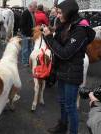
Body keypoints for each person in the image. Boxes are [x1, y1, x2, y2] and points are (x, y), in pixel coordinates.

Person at [42, 0, 95, 134]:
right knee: (61, 101)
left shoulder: (80, 29)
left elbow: (65, 53)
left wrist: (49, 37)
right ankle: (62, 126)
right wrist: (50, 33)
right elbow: (58, 44)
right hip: (61, 70)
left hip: (72, 73)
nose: (57, 15)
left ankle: (73, 131)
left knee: (70, 106)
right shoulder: (65, 24)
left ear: (69, 12)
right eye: (57, 12)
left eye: (60, 13)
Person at [20, 1, 37, 66]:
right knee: (25, 49)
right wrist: (28, 33)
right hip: (26, 34)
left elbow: (32, 23)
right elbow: (22, 25)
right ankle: (25, 62)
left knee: (30, 48)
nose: (36, 7)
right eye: (35, 6)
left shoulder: (32, 13)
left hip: (30, 34)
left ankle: (29, 61)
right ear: (31, 6)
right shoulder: (25, 13)